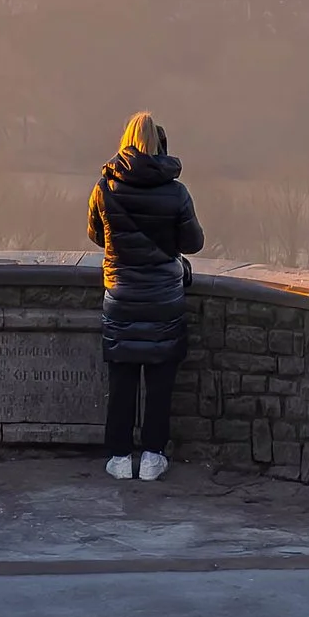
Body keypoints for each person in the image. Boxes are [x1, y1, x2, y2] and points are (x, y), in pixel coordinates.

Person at [87, 108, 203, 479]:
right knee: (159, 382)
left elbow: (95, 234)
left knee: (121, 380)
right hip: (163, 299)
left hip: (120, 296)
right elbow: (193, 242)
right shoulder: (176, 192)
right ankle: (153, 456)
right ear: (160, 145)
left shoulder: (105, 187)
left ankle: (120, 457)